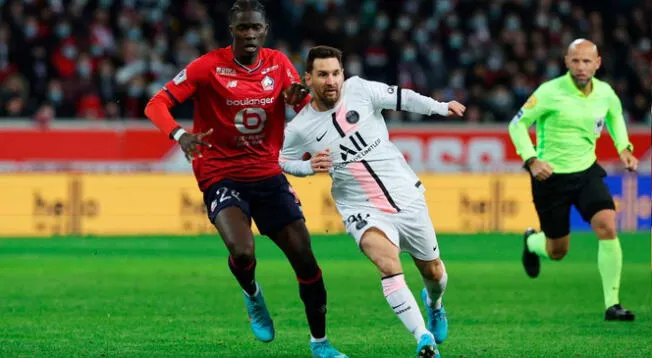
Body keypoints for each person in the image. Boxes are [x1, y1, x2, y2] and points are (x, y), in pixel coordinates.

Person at [144, 2, 347, 357]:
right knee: (242, 249)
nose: (249, 34)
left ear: (264, 29)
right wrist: (179, 135)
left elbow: (306, 111)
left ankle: (320, 344)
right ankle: (252, 294)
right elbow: (156, 104)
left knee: (305, 259)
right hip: (220, 173)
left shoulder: (279, 63)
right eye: (242, 28)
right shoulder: (207, 66)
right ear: (232, 31)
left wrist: (301, 101)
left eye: (255, 27)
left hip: (268, 173)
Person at [280, 46, 466, 358]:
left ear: (343, 74)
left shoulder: (361, 90)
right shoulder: (300, 127)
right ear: (308, 79)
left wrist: (440, 107)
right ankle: (424, 339)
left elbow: (403, 98)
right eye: (323, 74)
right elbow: (282, 159)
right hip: (359, 207)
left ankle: (434, 304)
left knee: (433, 272)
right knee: (388, 265)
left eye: (336, 73)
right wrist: (308, 167)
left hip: (405, 196)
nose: (332, 81)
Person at [508, 39, 638, 321]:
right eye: (576, 61)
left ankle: (612, 304)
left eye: (587, 61)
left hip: (587, 172)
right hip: (550, 177)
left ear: (597, 63)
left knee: (607, 225)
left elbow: (615, 117)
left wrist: (624, 148)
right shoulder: (549, 92)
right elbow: (517, 124)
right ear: (567, 62)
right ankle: (532, 243)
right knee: (557, 251)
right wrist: (532, 160)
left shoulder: (605, 93)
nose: (581, 67)